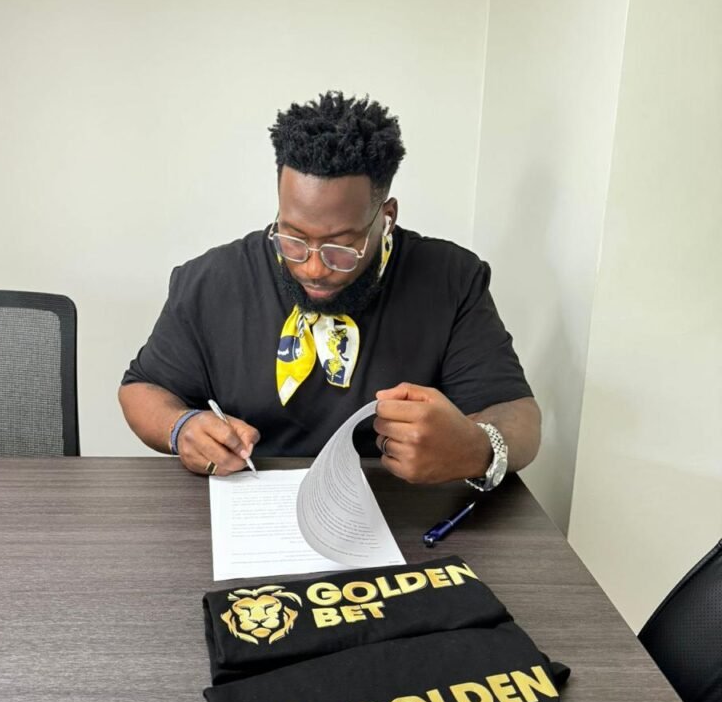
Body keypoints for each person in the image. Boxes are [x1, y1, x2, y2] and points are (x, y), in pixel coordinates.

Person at [119, 92, 540, 488]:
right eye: (293, 238)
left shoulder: (451, 279)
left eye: (341, 246)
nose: (314, 268)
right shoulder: (211, 281)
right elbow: (142, 389)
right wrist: (181, 428)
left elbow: (517, 413)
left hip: (397, 510)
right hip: (249, 501)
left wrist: (476, 447)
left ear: (387, 217)